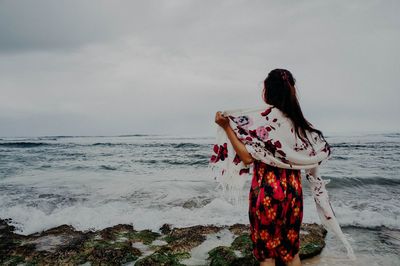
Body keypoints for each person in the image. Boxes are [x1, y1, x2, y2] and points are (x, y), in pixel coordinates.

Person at [214, 68, 329, 266]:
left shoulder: (265, 119)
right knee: (290, 251)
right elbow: (317, 150)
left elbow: (247, 158)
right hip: (293, 191)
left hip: (267, 190)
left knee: (267, 254)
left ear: (268, 92)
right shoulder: (299, 123)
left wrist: (226, 127)